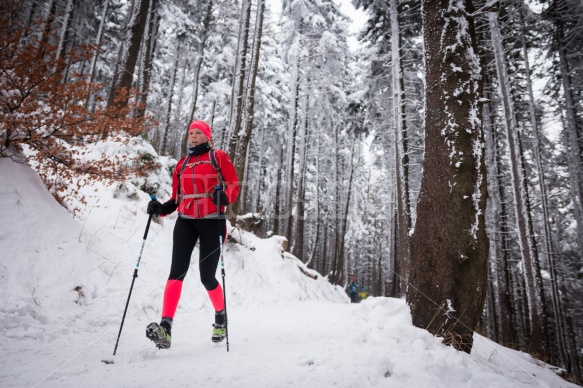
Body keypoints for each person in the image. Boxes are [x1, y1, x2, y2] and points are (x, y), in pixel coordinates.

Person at [145, 120, 239, 349]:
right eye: (191, 133)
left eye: (198, 133)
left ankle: (220, 316)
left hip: (212, 222)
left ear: (207, 136)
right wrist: (160, 209)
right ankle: (165, 328)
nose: (194, 136)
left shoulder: (219, 158)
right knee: (176, 272)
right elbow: (175, 200)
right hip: (186, 222)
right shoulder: (182, 164)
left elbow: (233, 184)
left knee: (207, 277)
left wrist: (225, 197)